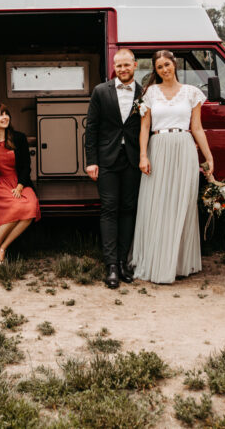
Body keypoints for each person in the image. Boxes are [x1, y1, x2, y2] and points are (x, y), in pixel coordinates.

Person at [131, 49, 215, 284]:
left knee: (182, 204)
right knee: (157, 204)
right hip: (158, 147)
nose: (164, 70)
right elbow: (144, 128)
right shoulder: (149, 93)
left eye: (167, 64)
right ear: (155, 71)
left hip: (184, 148)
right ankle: (157, 261)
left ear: (174, 65)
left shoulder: (192, 93)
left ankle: (179, 264)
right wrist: (143, 156)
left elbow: (197, 128)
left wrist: (208, 157)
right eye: (159, 67)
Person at [85, 48, 143, 289]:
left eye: (126, 65)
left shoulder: (145, 93)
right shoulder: (101, 91)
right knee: (109, 209)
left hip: (132, 159)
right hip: (106, 160)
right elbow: (92, 128)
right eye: (118, 66)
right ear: (114, 68)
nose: (122, 69)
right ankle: (110, 266)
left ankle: (122, 262)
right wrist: (91, 161)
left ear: (135, 66)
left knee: (129, 209)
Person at [0, 103, 40, 265]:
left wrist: (20, 186)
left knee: (30, 208)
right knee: (16, 208)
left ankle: (0, 247)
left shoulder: (19, 137)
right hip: (0, 183)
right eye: (0, 115)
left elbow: (26, 166)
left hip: (20, 182)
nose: (5, 117)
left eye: (6, 114)